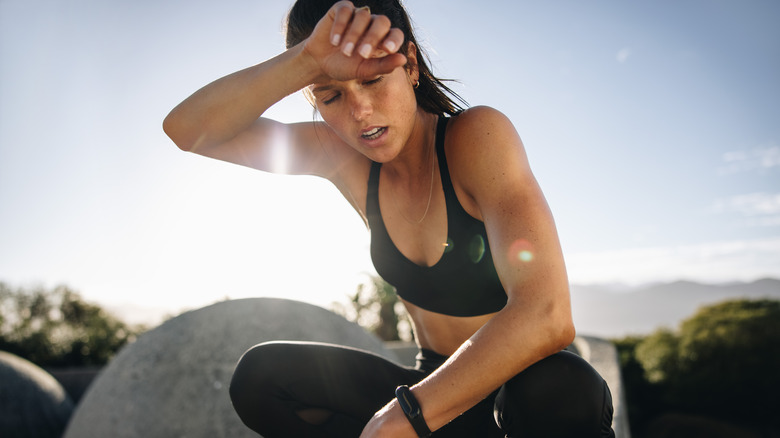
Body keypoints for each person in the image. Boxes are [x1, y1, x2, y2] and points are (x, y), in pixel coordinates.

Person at [163, 1, 615, 437]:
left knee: (561, 385)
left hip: (517, 404)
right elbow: (187, 130)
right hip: (430, 385)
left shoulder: (475, 137)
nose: (360, 112)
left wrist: (406, 418)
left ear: (410, 65)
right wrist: (305, 62)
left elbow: (548, 315)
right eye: (331, 95)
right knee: (261, 378)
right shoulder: (341, 158)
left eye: (374, 79)